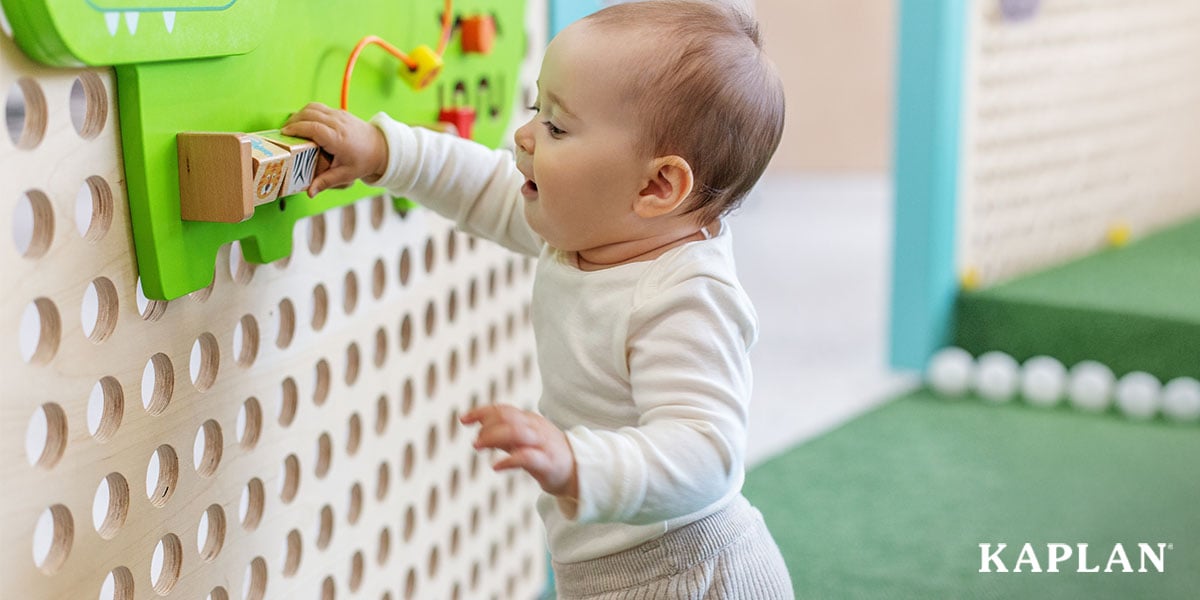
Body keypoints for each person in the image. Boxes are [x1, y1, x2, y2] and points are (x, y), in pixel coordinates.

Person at [282, 1, 790, 597]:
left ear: (657, 185)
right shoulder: (588, 227)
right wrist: (385, 152)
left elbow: (707, 454)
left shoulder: (685, 297)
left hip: (686, 575)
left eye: (556, 127)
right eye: (535, 110)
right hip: (605, 570)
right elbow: (482, 185)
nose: (524, 135)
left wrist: (577, 462)